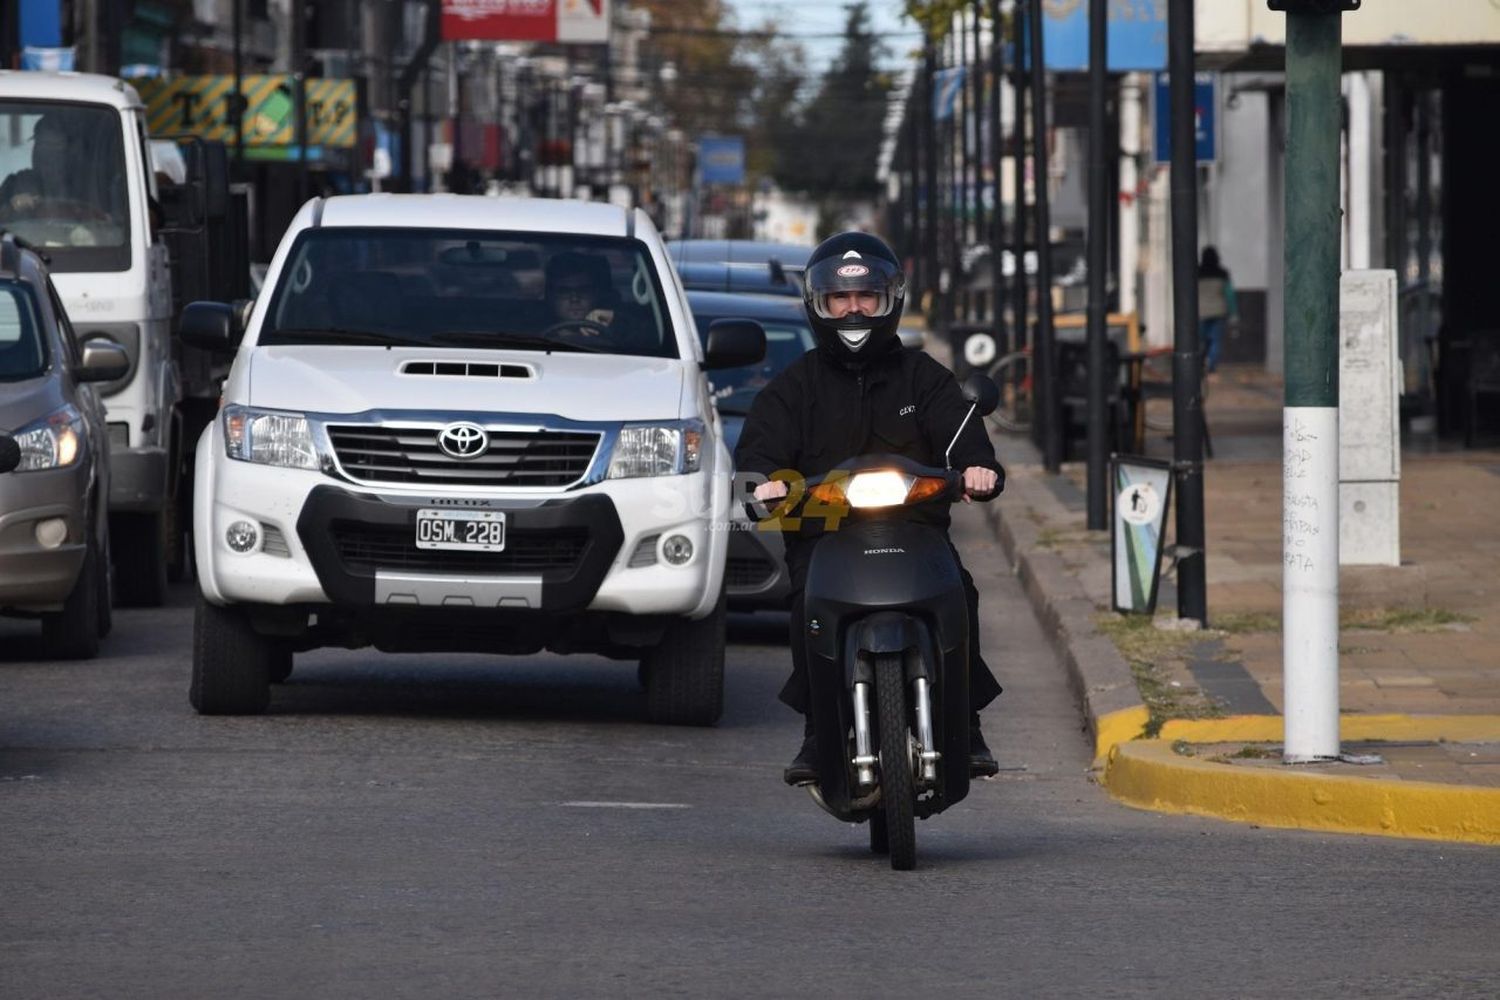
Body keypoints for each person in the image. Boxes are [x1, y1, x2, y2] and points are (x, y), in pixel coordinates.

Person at [733, 231, 1005, 786]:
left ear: (889, 302)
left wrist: (980, 469)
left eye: (866, 298)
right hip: (825, 536)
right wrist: (762, 488)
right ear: (819, 305)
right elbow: (757, 457)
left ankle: (967, 720)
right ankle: (816, 730)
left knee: (963, 592)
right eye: (840, 298)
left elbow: (964, 438)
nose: (853, 309)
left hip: (915, 529)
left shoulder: (924, 377)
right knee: (804, 602)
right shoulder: (791, 389)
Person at [0, 114, 76, 219]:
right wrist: (11, 207)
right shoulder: (14, 184)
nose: (44, 157)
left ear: (67, 153)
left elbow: (98, 222)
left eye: (54, 149)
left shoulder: (79, 189)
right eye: (39, 146)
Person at [1197, 246, 1238, 377]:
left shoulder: (1197, 272)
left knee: (1201, 340)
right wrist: (1233, 313)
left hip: (1201, 312)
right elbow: (1229, 295)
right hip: (1218, 311)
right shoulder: (1223, 273)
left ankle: (1201, 363)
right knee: (1215, 341)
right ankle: (1211, 365)